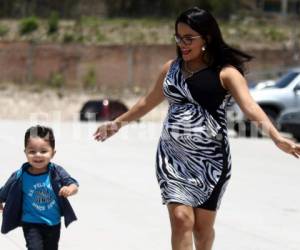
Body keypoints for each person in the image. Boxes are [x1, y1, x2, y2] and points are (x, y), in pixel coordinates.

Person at [93, 7, 300, 250]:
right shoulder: (171, 68)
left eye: (189, 38)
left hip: (211, 162)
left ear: (207, 38)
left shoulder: (226, 73)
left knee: (202, 232)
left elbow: (251, 108)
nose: (182, 43)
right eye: (178, 37)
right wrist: (117, 124)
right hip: (173, 158)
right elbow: (147, 102)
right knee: (181, 220)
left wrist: (277, 139)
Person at [0, 125, 79, 250]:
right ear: (25, 152)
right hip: (31, 223)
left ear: (53, 153)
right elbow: (6, 190)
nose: (37, 155)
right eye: (32, 151)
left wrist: (69, 189)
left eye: (43, 151)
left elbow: (73, 184)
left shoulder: (56, 172)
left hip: (53, 223)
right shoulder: (20, 175)